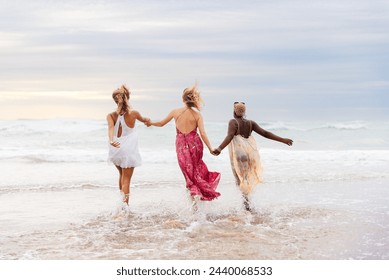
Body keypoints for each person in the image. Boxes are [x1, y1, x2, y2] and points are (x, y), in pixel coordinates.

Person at [146, 85, 220, 208]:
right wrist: (211, 148)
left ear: (183, 99)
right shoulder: (197, 115)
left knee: (188, 174)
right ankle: (197, 200)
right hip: (195, 145)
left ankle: (194, 204)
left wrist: (150, 123)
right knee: (197, 171)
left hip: (181, 146)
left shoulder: (175, 112)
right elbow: (202, 133)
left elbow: (161, 123)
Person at [212, 102, 293, 212]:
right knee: (246, 179)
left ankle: (246, 205)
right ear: (244, 112)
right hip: (250, 154)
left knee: (240, 180)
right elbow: (265, 133)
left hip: (240, 154)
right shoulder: (250, 123)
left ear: (234, 111)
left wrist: (219, 148)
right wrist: (283, 140)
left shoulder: (233, 122)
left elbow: (230, 136)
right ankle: (247, 203)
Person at [107, 85, 150, 205]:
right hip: (127, 151)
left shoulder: (110, 115)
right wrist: (149, 121)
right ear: (128, 98)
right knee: (126, 180)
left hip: (115, 150)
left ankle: (121, 203)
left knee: (121, 175)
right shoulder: (134, 113)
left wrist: (111, 140)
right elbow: (144, 120)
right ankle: (125, 207)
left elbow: (111, 128)